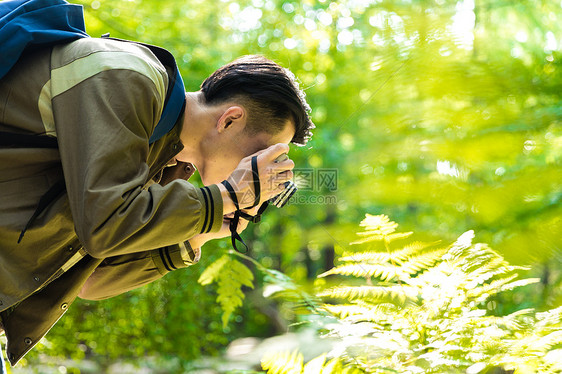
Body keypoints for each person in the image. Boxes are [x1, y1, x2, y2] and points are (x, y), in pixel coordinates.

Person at [0, 36, 314, 368]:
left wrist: (199, 234)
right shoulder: (127, 76)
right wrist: (224, 197)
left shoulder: (164, 161)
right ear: (229, 120)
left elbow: (90, 280)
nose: (259, 171)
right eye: (262, 155)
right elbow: (103, 226)